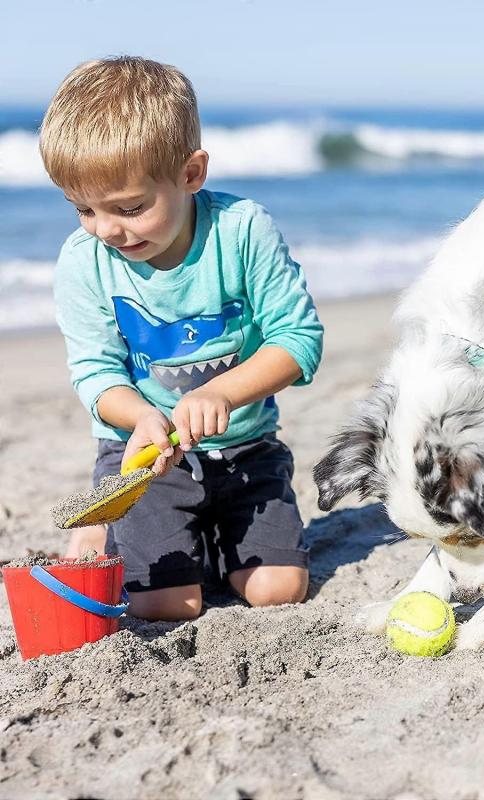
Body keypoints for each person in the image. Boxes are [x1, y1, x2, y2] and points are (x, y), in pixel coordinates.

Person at [40, 56, 323, 621]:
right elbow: (97, 374)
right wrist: (142, 416)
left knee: (277, 589)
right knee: (171, 605)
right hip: (145, 462)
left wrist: (221, 394)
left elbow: (298, 341)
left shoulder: (243, 231)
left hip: (246, 449)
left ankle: (211, 539)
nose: (105, 230)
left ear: (191, 174)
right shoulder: (84, 262)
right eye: (83, 210)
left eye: (129, 208)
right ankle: (111, 526)